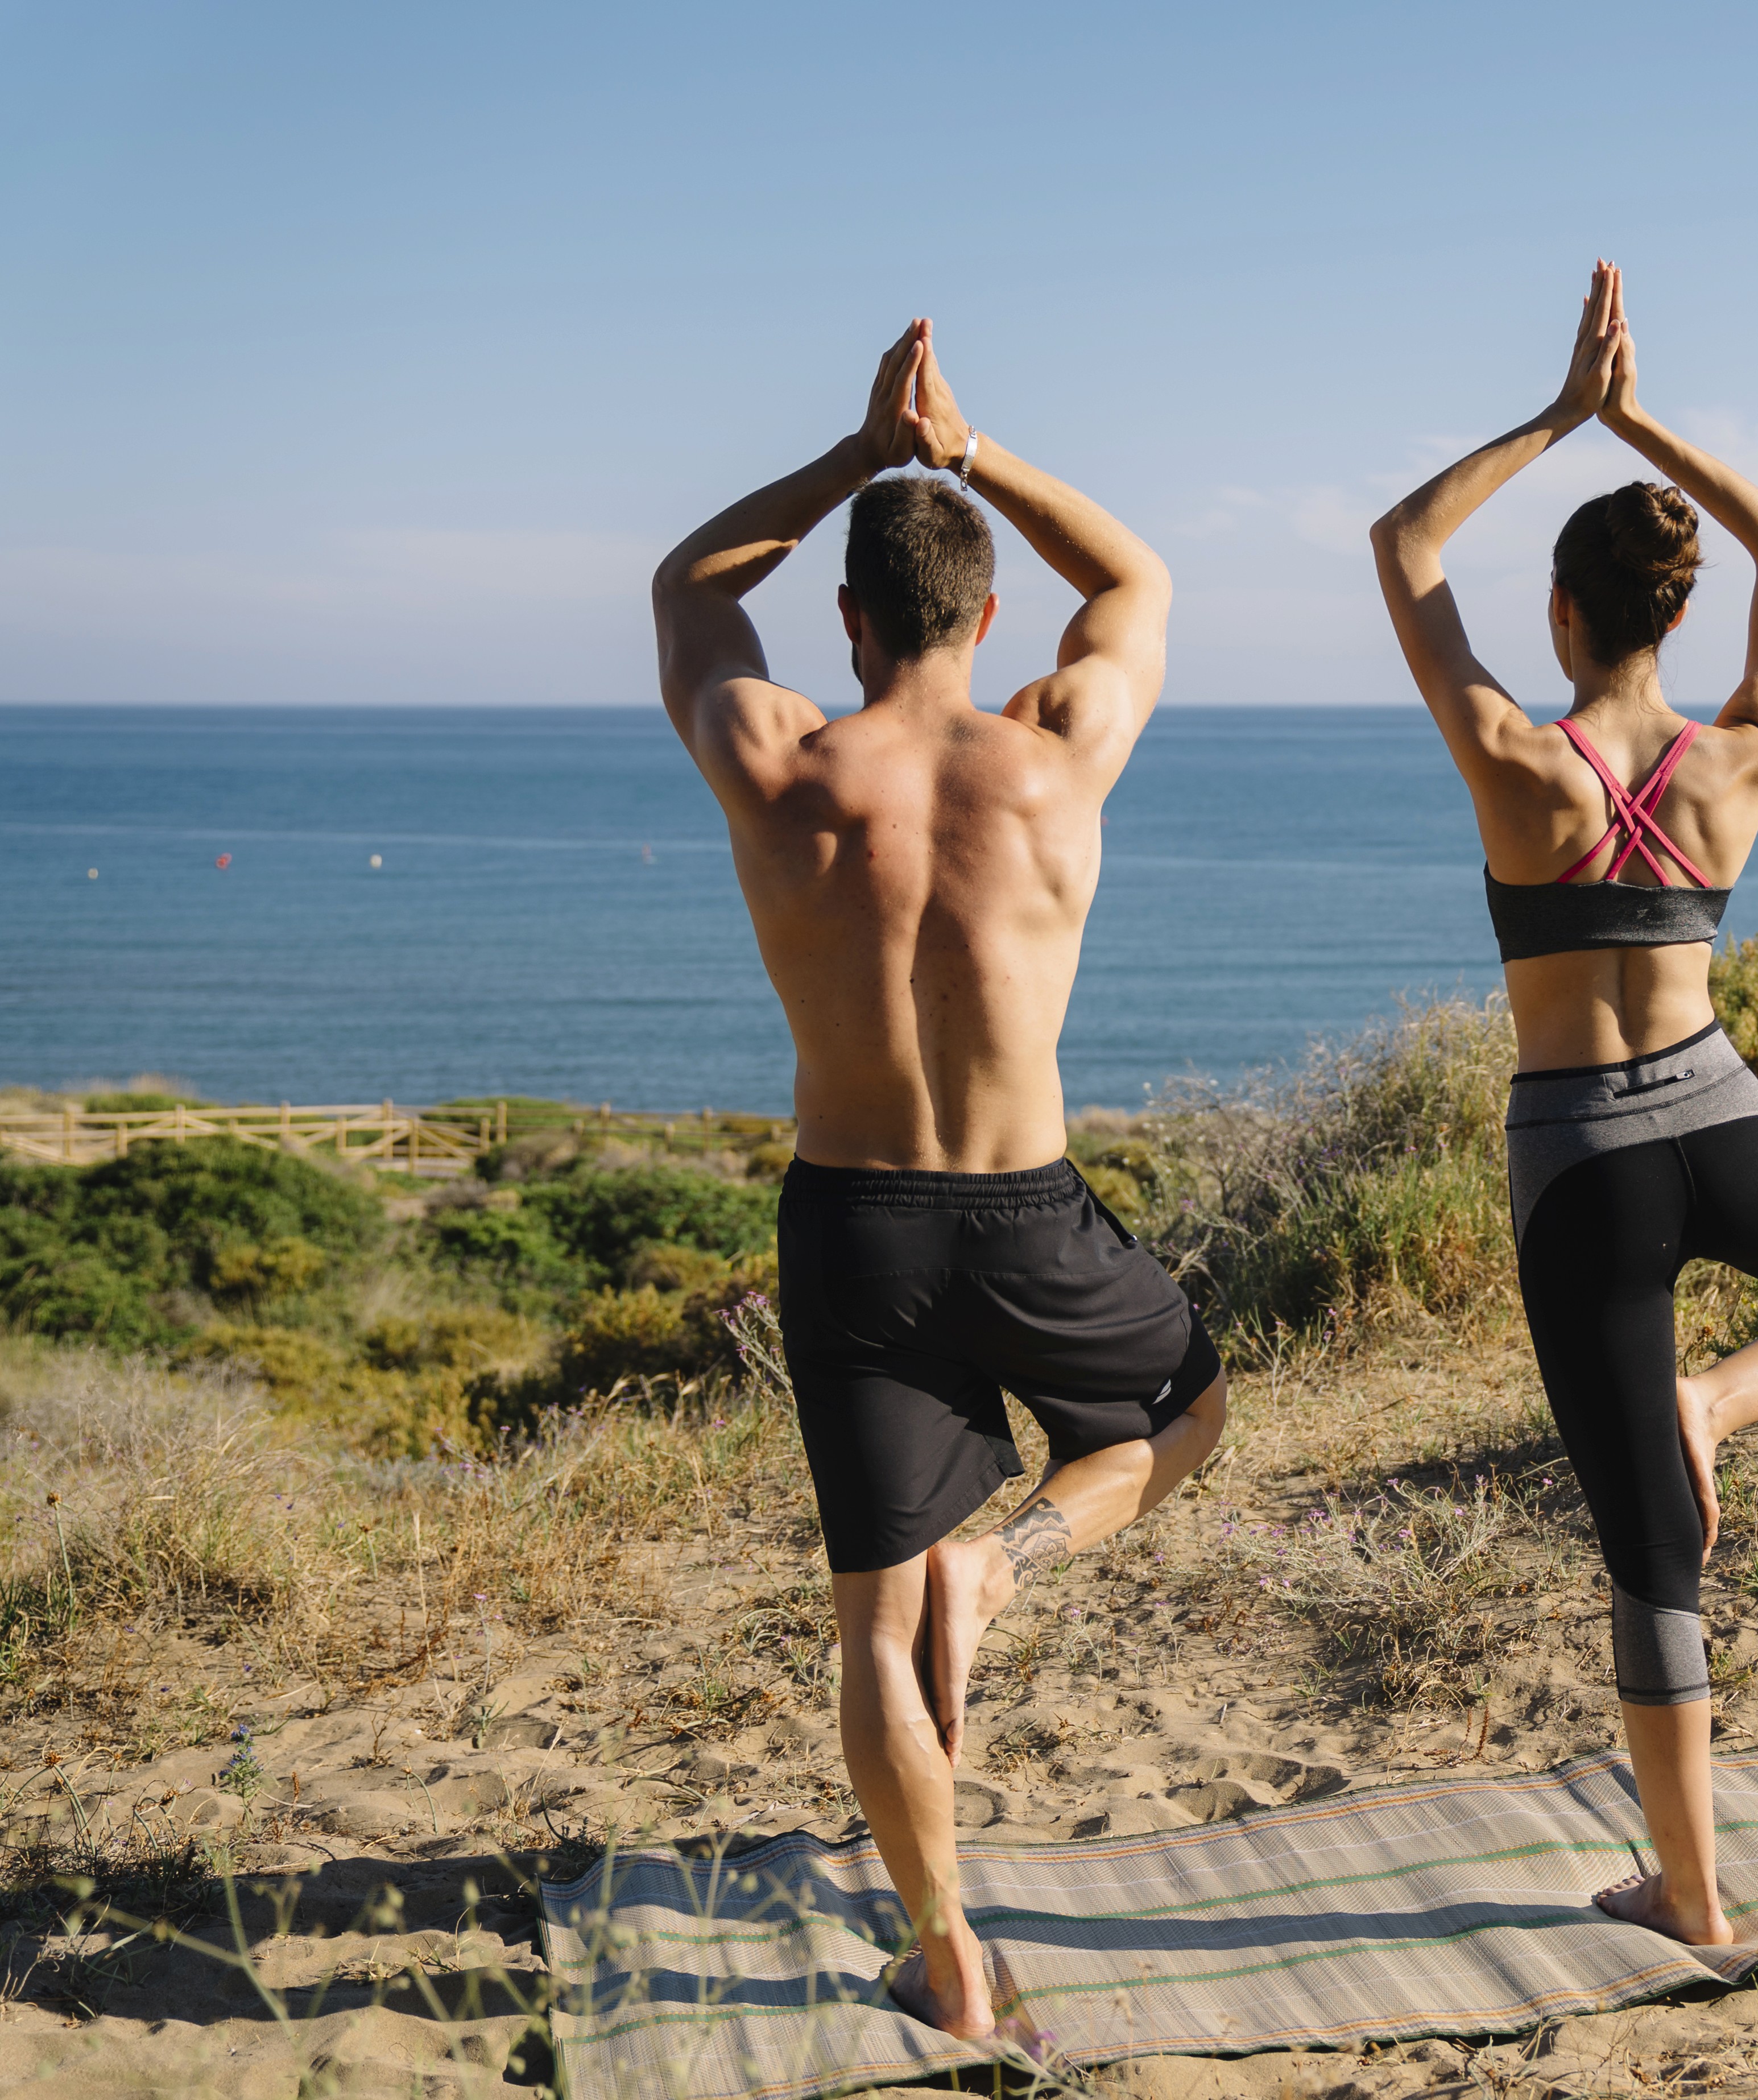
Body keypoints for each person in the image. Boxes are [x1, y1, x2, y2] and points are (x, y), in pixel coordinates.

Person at [652, 322, 1225, 2039]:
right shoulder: (1057, 746)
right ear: (987, 620)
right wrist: (963, 452)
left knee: (868, 1627)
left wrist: (854, 453)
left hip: (853, 1220)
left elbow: (690, 578)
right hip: (1026, 1204)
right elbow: (1131, 572)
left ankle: (951, 1955)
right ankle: (1015, 1565)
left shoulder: (776, 756)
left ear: (846, 623)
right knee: (1181, 1414)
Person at [1368, 263, 1758, 1946]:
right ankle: (1728, 1400)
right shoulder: (1740, 753)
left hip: (1582, 1167)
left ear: (1560, 615)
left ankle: (1687, 1892)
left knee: (1649, 1561)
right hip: (1727, 1125)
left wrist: (1560, 415)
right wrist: (1648, 427)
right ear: (1671, 618)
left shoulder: (1509, 756)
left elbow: (1403, 548)